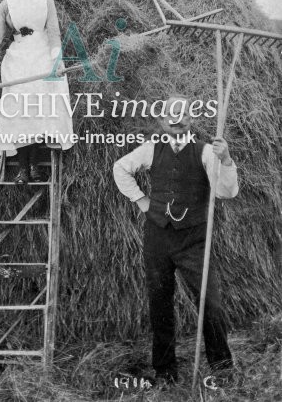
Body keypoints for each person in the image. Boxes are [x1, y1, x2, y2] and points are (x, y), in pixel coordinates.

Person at [113, 95, 238, 387]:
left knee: (211, 303)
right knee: (160, 302)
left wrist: (226, 159)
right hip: (158, 236)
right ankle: (165, 371)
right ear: (162, 122)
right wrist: (142, 200)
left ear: (191, 120)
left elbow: (226, 192)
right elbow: (120, 168)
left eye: (181, 114)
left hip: (194, 239)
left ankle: (222, 367)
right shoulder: (150, 149)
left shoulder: (207, 152)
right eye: (170, 115)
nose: (176, 119)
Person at [0, 0, 73, 183]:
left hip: (42, 56)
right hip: (18, 58)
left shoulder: (45, 0)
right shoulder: (6, 5)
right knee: (20, 110)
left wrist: (57, 60)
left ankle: (34, 165)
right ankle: (23, 168)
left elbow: (54, 33)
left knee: (41, 107)